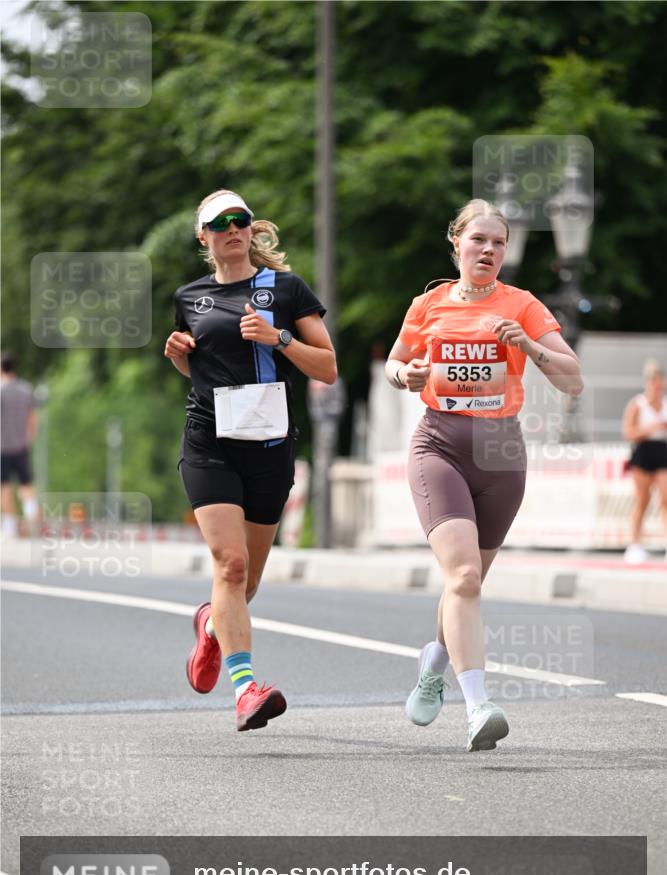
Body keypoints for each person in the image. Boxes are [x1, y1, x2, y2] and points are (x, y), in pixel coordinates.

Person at [385, 199, 583, 751]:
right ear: (457, 243)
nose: (489, 250)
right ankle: (479, 708)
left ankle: (433, 667)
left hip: (501, 453)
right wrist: (406, 375)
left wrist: (529, 345)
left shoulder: (522, 305)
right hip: (439, 443)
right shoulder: (428, 304)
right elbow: (396, 363)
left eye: (499, 242)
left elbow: (573, 380)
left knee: (465, 583)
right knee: (465, 576)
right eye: (479, 240)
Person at [164, 189, 336, 732]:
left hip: (269, 447)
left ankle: (211, 627)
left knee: (247, 583)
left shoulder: (285, 288)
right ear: (204, 236)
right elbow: (204, 373)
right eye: (221, 223)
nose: (233, 229)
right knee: (231, 566)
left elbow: (328, 368)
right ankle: (246, 690)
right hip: (209, 442)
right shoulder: (189, 297)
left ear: (251, 228)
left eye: (240, 220)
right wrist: (180, 359)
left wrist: (279, 337)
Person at [622, 359, 667, 563]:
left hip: (662, 451)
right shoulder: (637, 404)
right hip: (643, 452)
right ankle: (635, 544)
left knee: (665, 499)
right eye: (654, 382)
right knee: (642, 500)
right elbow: (628, 432)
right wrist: (650, 428)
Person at [1, 352, 39, 537]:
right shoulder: (25, 390)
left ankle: (9, 524)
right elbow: (32, 417)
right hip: (21, 446)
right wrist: (29, 437)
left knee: (5, 486)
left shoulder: (1, 391)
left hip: (3, 447)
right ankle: (31, 519)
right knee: (26, 485)